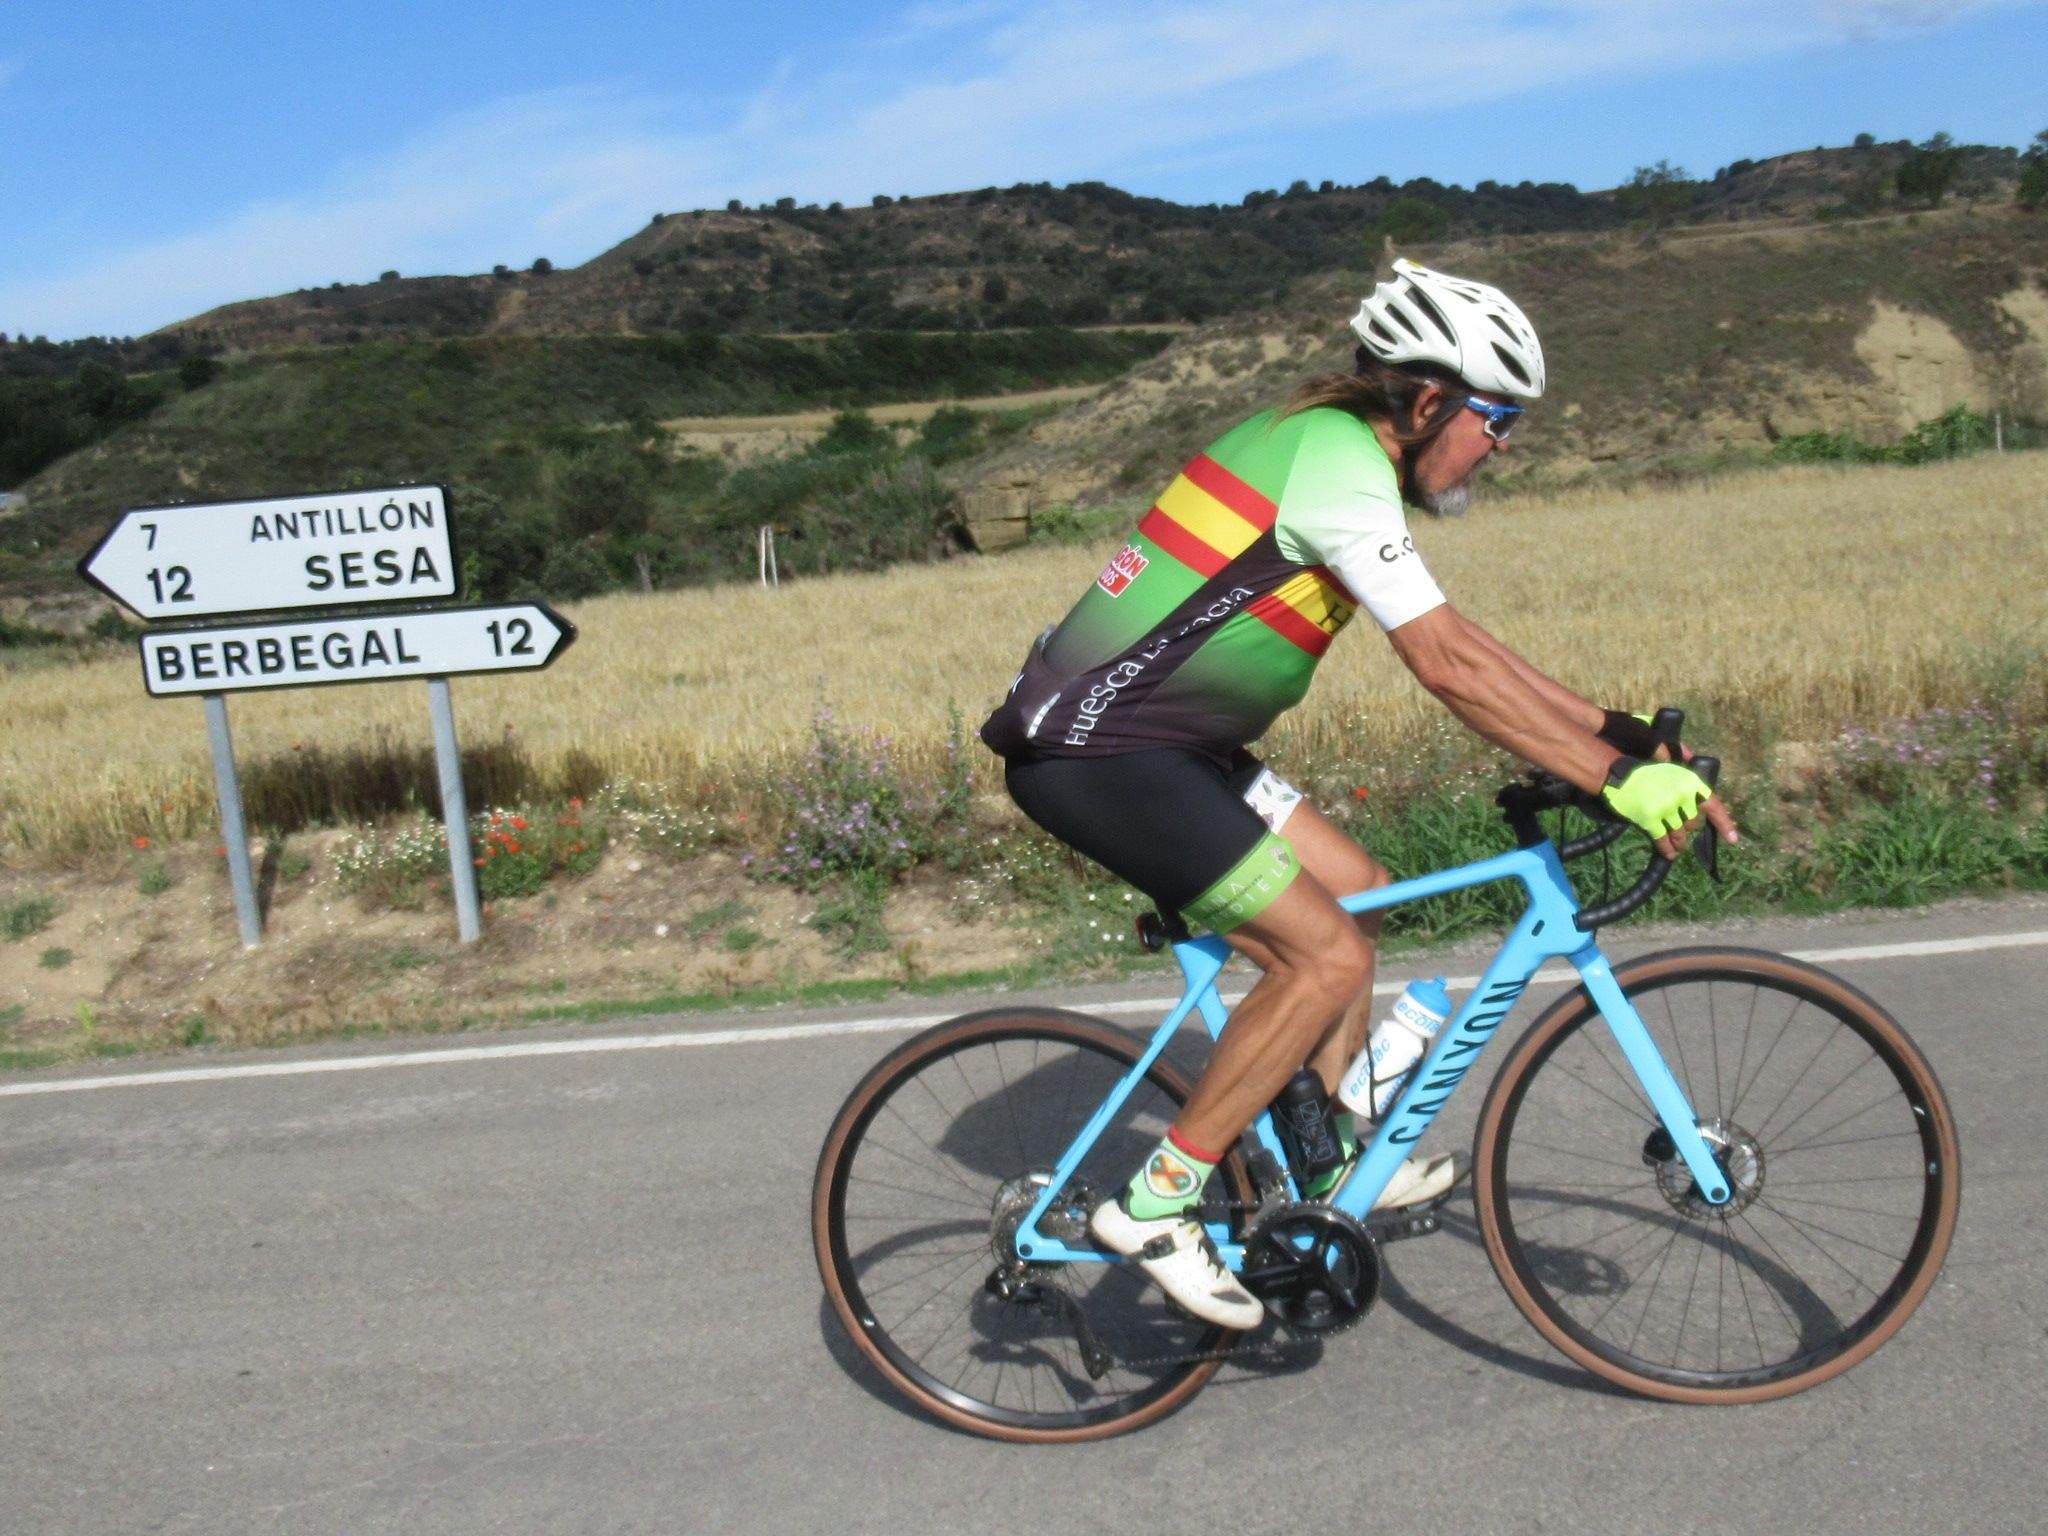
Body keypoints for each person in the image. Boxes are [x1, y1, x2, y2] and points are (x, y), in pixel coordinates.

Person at [978, 258, 1737, 1329]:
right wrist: (1612, 783)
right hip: (1100, 754)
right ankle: (1155, 1204)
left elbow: (1463, 641)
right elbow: (1443, 667)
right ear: (1427, 400)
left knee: (1358, 900)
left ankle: (1320, 1164)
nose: (1503, 444)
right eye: (1496, 417)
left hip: (1177, 743)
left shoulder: (1336, 458)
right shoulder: (1331, 465)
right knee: (1320, 953)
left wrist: (1608, 733)